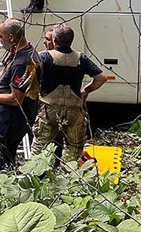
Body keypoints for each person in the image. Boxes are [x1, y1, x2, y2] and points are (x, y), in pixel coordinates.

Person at [0, 19, 40, 188]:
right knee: (6, 153)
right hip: (15, 117)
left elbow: (15, 99)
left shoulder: (22, 62)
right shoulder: (20, 51)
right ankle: (5, 187)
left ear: (11, 37)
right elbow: (5, 70)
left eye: (1, 36)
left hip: (10, 118)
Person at [30, 23, 108, 163]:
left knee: (39, 147)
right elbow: (101, 78)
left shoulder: (44, 57)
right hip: (74, 112)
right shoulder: (81, 58)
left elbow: (30, 79)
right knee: (74, 147)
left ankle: (36, 173)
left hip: (49, 111)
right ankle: (67, 172)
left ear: (54, 40)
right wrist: (86, 91)